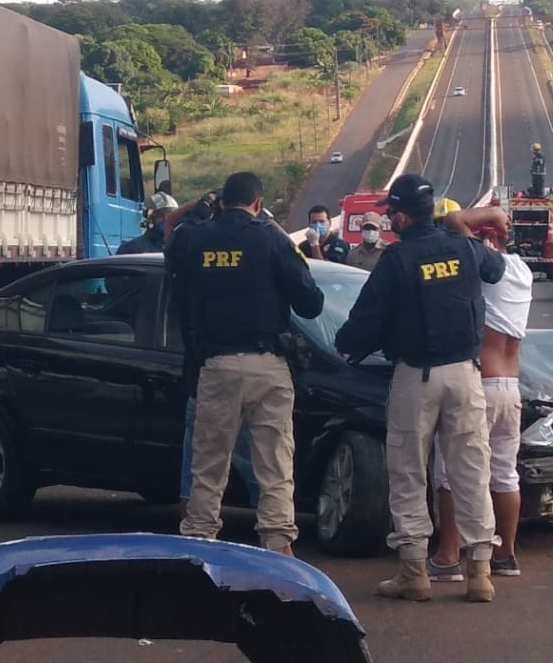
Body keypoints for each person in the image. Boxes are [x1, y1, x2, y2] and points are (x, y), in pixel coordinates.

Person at [335, 173, 507, 603]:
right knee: (471, 470)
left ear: (404, 215)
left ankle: (414, 572)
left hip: (417, 377)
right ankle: (480, 573)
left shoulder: (397, 260)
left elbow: (366, 320)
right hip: (467, 377)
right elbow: (498, 267)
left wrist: (346, 348)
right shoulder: (465, 249)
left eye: (390, 213)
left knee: (409, 470)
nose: (387, 220)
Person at [168, 172, 324, 555]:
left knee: (208, 464)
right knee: (274, 464)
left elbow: (172, 238)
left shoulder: (195, 239)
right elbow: (311, 302)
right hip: (267, 365)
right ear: (258, 203)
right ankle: (277, 545)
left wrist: (199, 212)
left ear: (220, 203)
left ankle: (200, 543)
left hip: (216, 366)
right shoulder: (271, 238)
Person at [428, 220, 532, 581]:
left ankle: (448, 555)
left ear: (488, 239)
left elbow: (455, 222)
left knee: (450, 472)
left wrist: (488, 211)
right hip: (510, 385)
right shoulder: (523, 271)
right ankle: (506, 555)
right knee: (504, 473)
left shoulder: (488, 271)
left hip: (479, 383)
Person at [166, 191, 261, 521]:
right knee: (261, 463)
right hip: (251, 372)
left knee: (200, 462)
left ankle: (194, 528)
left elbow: (172, 226)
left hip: (204, 374)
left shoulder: (189, 251)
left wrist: (200, 205)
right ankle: (274, 533)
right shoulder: (259, 249)